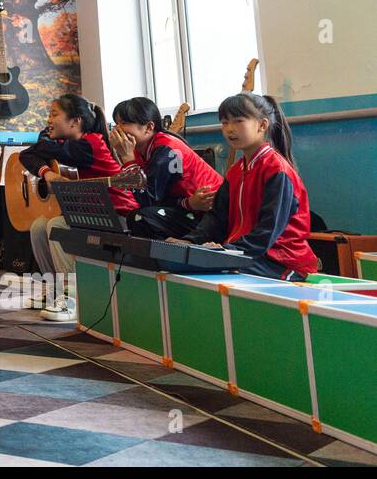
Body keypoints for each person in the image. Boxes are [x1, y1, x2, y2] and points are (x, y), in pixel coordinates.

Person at [171, 93, 318, 280]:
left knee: (215, 271)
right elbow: (216, 219)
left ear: (262, 125)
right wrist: (188, 243)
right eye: (224, 122)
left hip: (280, 262)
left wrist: (226, 251)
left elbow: (267, 231)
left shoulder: (277, 171)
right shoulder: (235, 171)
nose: (230, 129)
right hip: (244, 255)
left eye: (238, 121)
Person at [19, 94, 139, 322]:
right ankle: (55, 291)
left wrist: (46, 137)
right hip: (95, 213)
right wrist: (49, 173)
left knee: (56, 225)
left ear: (75, 121)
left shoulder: (89, 145)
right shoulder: (74, 144)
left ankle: (72, 298)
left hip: (120, 216)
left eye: (54, 115)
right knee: (38, 226)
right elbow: (27, 155)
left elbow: (41, 147)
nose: (49, 120)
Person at [109, 97, 223, 239]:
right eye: (116, 123)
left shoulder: (166, 149)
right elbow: (154, 199)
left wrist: (127, 158)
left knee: (140, 218)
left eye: (124, 123)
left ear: (149, 127)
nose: (117, 129)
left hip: (211, 217)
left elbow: (148, 199)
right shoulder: (140, 151)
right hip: (188, 207)